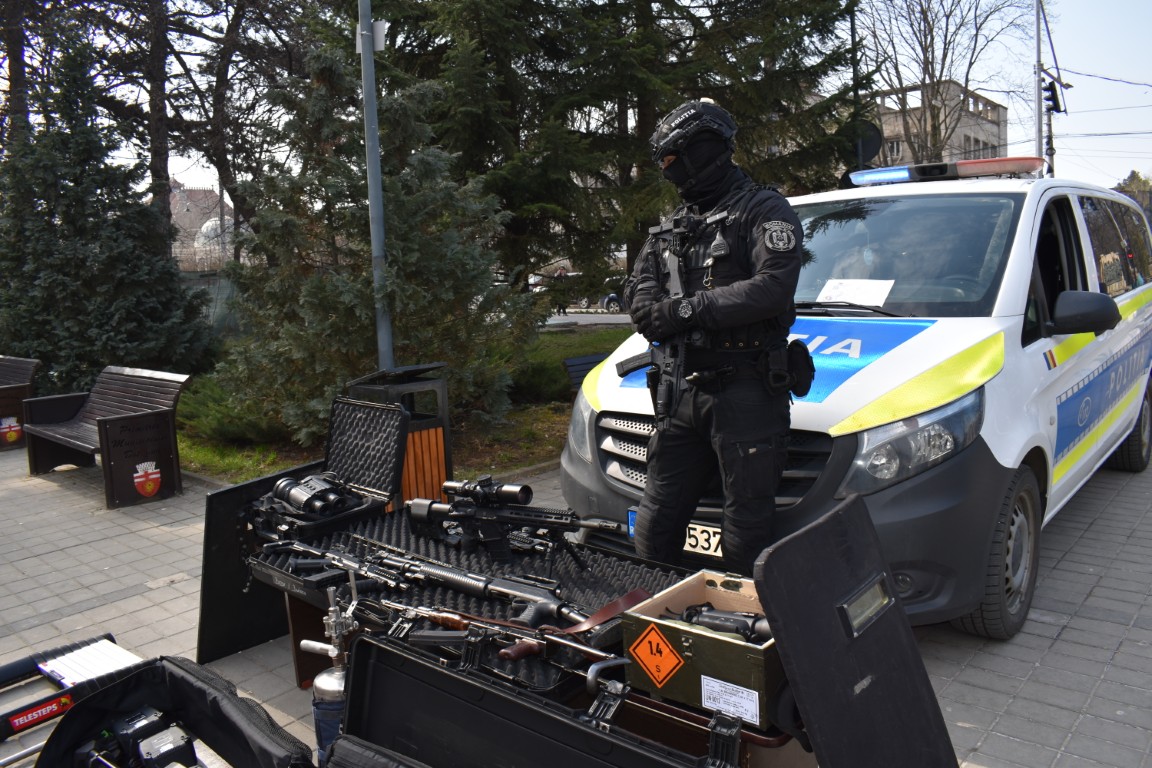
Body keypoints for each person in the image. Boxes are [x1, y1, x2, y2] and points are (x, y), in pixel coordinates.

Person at [623, 99, 803, 576]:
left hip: (745, 390)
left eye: (673, 159)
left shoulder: (763, 209)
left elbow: (773, 288)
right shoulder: (675, 223)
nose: (669, 171)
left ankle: (739, 618)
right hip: (680, 391)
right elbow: (640, 287)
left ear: (702, 150)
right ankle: (653, 608)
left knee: (745, 531)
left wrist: (683, 310)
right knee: (655, 525)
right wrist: (650, 304)